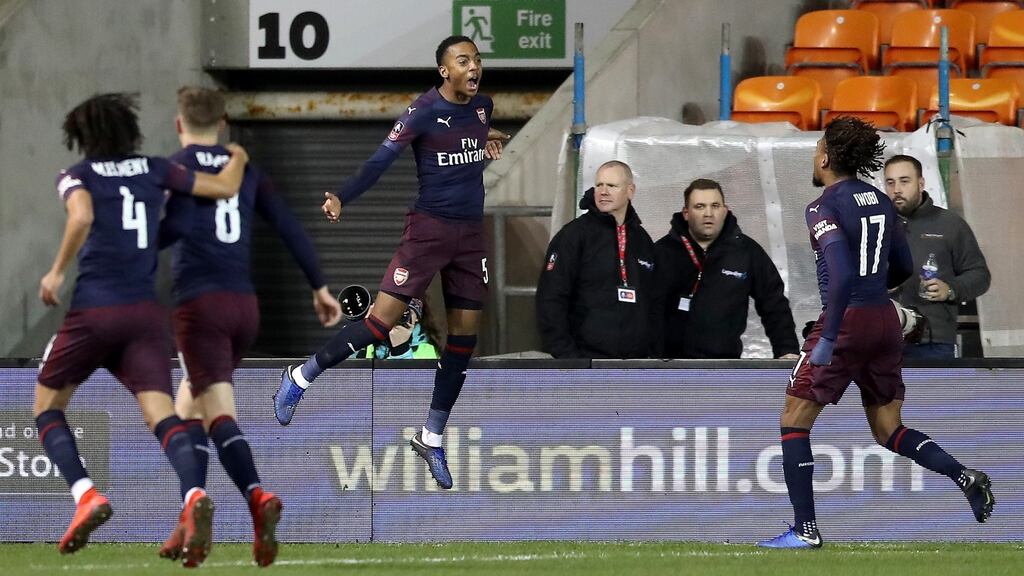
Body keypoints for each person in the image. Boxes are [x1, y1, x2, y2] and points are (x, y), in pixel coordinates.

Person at [272, 35, 510, 491]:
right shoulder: (421, 111)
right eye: (463, 61)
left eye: (477, 59)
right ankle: (300, 376)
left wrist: (489, 139)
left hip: (469, 237)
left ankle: (431, 436)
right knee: (380, 324)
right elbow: (379, 161)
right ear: (444, 71)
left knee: (463, 340)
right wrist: (342, 195)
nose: (473, 66)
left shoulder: (484, 106)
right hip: (428, 231)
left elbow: (473, 133)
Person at [758, 117, 995, 549]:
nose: (815, 156)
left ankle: (805, 530)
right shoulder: (882, 202)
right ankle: (964, 475)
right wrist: (872, 295)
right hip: (885, 320)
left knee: (793, 420)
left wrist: (829, 335)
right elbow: (903, 266)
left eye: (816, 149)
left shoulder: (822, 207)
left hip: (846, 320)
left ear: (827, 157)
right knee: (888, 428)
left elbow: (843, 269)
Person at [35, 93, 247, 567]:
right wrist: (239, 157)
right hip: (146, 315)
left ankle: (86, 494)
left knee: (47, 406)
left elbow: (83, 215)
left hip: (94, 312)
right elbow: (222, 188)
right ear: (128, 131)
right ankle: (193, 495)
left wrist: (55, 271)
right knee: (163, 417)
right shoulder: (155, 169)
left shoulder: (77, 175)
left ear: (83, 137)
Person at [156, 86, 343, 566]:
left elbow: (165, 231)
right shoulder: (248, 171)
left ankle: (252, 497)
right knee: (190, 402)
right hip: (244, 308)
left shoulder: (175, 170)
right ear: (222, 123)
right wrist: (320, 286)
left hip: (201, 306)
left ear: (180, 124)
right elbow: (289, 226)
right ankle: (188, 511)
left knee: (213, 410)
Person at [652, 178, 799, 359]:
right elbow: (644, 310)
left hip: (724, 365)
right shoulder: (662, 252)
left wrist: (787, 351)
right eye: (699, 206)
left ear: (725, 210)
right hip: (667, 367)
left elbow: (774, 305)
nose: (708, 213)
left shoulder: (746, 252)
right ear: (686, 213)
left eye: (715, 206)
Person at [536, 160, 658, 358]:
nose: (603, 191)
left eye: (612, 186)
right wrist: (568, 357)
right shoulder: (574, 235)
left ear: (630, 191)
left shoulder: (642, 239)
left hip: (636, 362)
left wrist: (652, 352)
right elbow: (551, 298)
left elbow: (652, 301)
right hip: (586, 360)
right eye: (599, 185)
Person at [883, 154, 991, 359]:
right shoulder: (876, 225)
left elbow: (980, 275)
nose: (897, 189)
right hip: (882, 339)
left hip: (933, 342)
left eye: (904, 181)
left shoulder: (950, 224)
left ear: (921, 183)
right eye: (890, 182)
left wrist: (950, 289)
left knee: (932, 392)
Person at [360, 296, 441, 360]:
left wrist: (401, 349)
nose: (395, 317)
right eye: (391, 310)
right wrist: (364, 330)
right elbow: (353, 375)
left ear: (417, 317)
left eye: (404, 312)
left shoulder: (426, 350)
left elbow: (412, 380)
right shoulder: (371, 341)